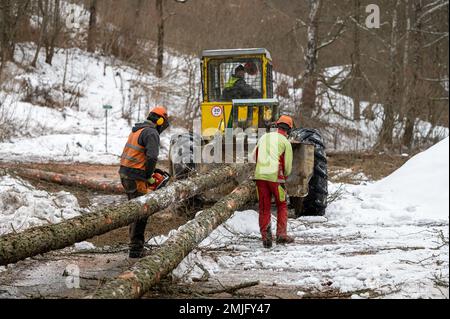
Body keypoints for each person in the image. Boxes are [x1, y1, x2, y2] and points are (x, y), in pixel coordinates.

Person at [119, 106, 169, 258]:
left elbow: (139, 155)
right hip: (136, 176)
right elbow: (152, 157)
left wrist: (148, 173)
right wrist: (148, 176)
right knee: (142, 211)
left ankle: (134, 244)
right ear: (160, 121)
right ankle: (136, 248)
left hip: (125, 173)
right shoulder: (151, 132)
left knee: (134, 210)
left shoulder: (137, 130)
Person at [253, 115, 295, 248]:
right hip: (276, 177)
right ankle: (281, 235)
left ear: (276, 126)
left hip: (260, 176)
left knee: (264, 207)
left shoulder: (264, 137)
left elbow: (254, 156)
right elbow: (288, 166)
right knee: (281, 204)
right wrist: (285, 176)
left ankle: (266, 237)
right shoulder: (285, 142)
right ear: (289, 130)